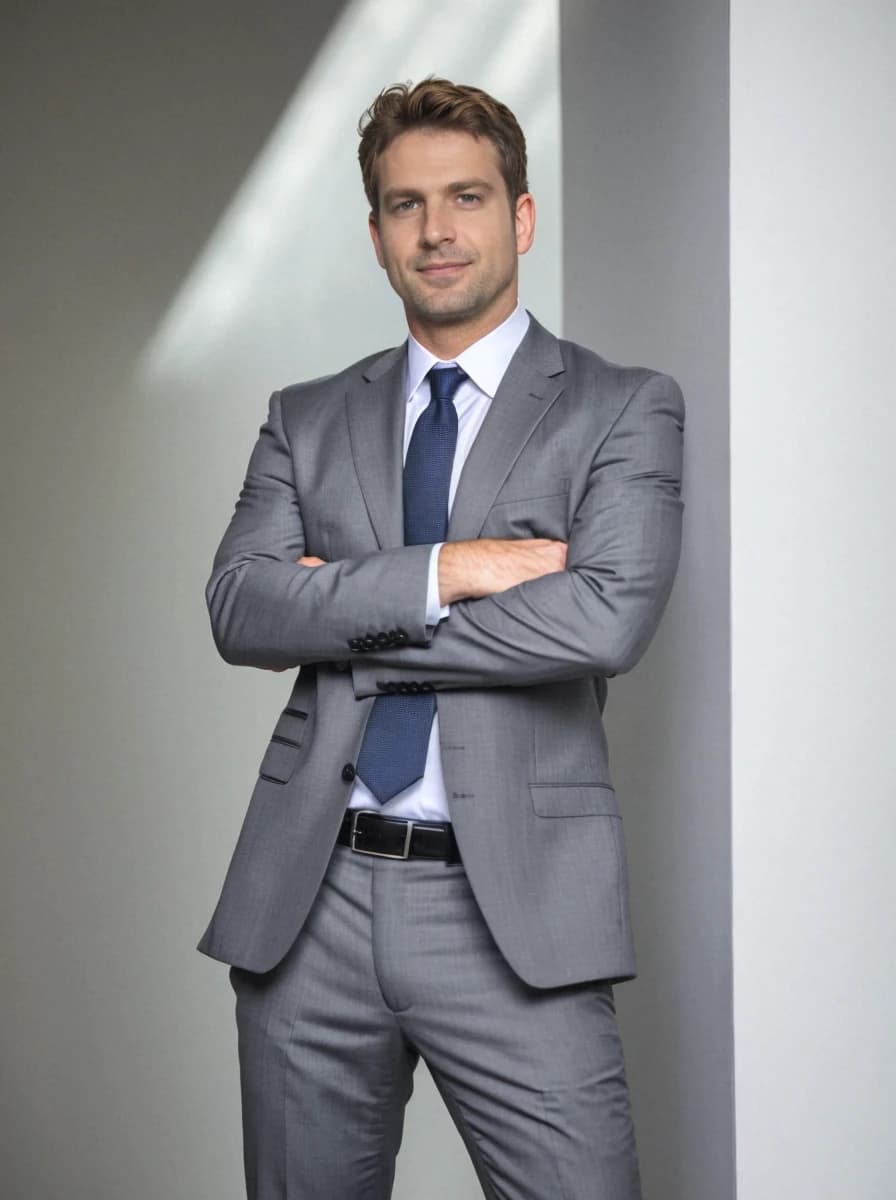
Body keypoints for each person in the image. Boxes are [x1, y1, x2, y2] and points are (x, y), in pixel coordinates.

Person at [198, 77, 684, 1200]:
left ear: (518, 214)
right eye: (405, 205)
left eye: (466, 196)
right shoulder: (304, 417)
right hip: (307, 903)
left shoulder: (619, 407)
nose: (437, 229)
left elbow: (603, 615)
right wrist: (450, 573)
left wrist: (347, 613)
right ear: (375, 236)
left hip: (514, 912)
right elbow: (241, 608)